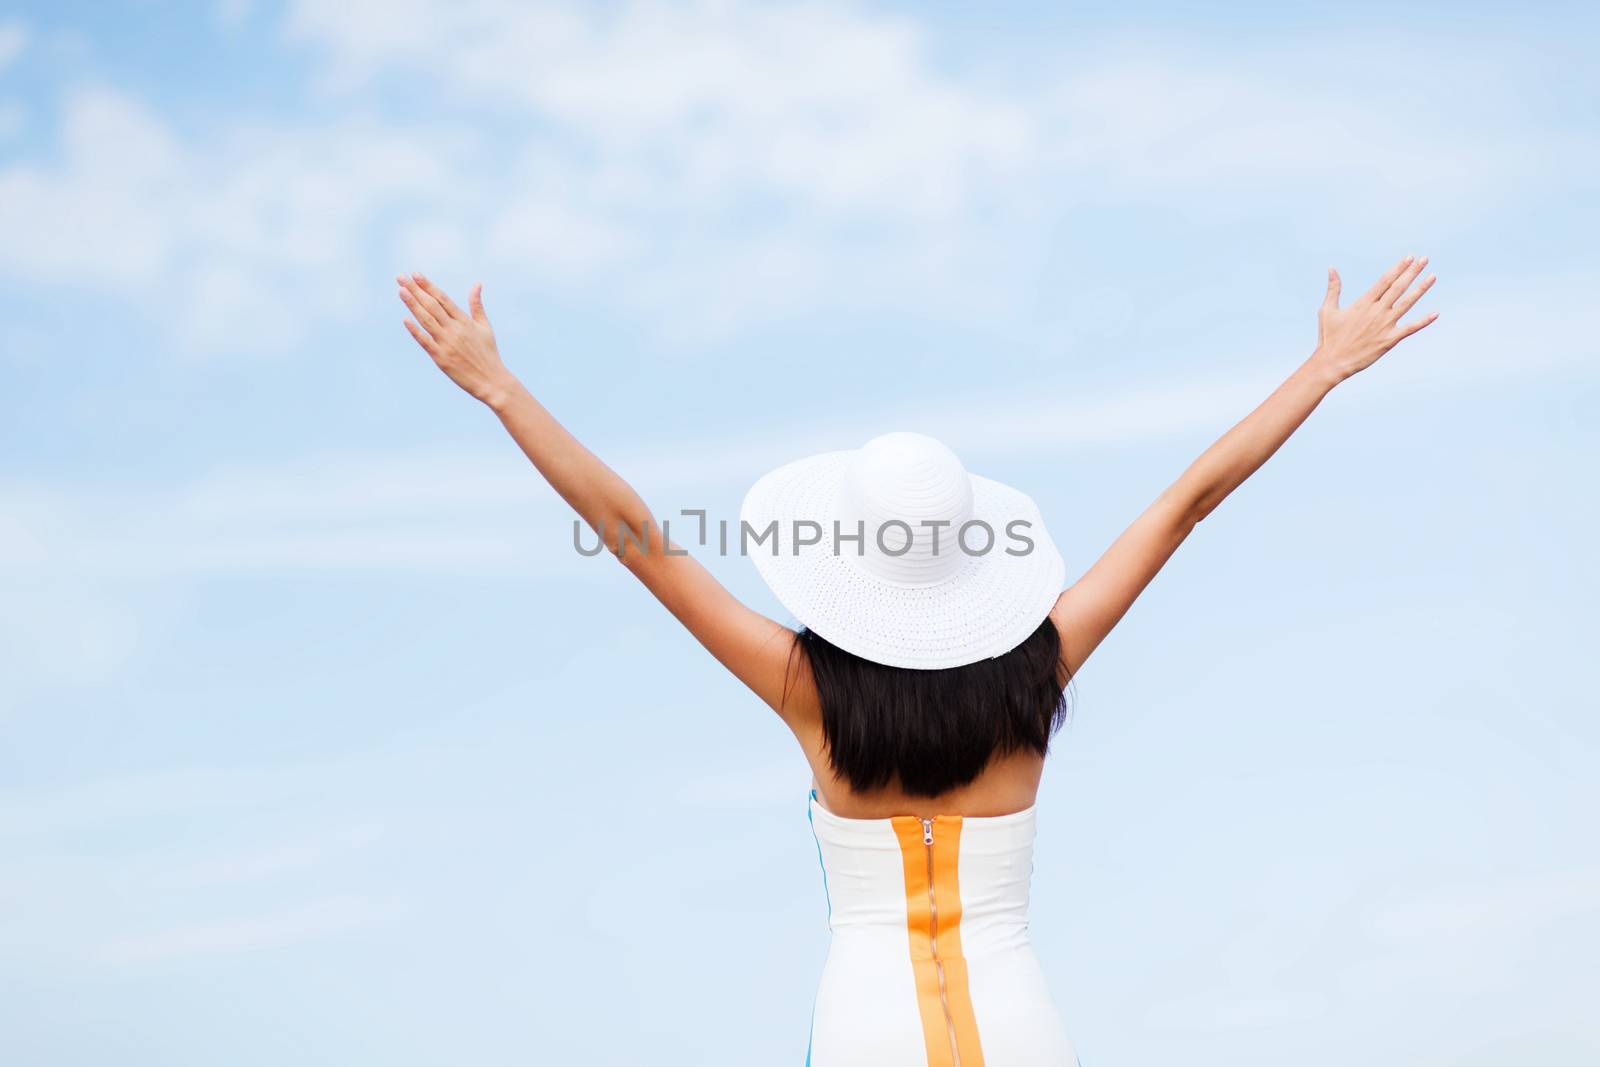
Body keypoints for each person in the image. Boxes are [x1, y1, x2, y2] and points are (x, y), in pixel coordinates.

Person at [396, 255, 1438, 1066]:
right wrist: (1324, 367)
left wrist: (499, 387)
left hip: (868, 1026)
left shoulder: (805, 690)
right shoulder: (1039, 670)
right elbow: (1185, 505)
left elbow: (631, 532)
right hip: (1022, 1024)